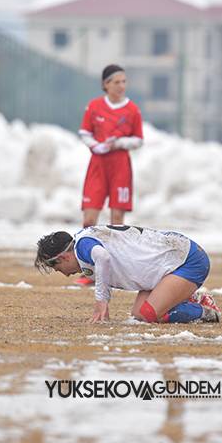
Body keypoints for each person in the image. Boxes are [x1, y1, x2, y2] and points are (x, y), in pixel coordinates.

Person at [35, 225, 220, 324]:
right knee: (139, 314)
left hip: (188, 260)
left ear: (64, 257)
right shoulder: (84, 243)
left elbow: (104, 258)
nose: (65, 275)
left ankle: (206, 311)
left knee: (150, 314)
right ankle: (186, 297)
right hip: (169, 261)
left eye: (58, 269)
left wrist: (101, 302)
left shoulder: (82, 246)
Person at [75, 64, 143, 285]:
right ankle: (89, 270)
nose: (121, 86)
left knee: (117, 221)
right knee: (89, 219)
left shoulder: (132, 109)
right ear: (106, 84)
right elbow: (84, 132)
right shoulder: (94, 106)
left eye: (124, 81)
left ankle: (112, 271)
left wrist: (120, 142)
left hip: (120, 166)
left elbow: (138, 139)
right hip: (98, 165)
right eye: (116, 82)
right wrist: (96, 145)